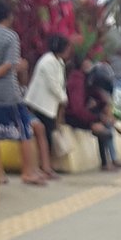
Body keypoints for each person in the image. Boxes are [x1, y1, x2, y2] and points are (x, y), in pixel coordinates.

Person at [0, 0, 46, 186]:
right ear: (9, 16)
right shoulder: (11, 37)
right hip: (7, 92)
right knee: (24, 131)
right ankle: (28, 172)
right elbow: (9, 64)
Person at [66, 55, 121, 171]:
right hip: (73, 116)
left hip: (85, 114)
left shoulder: (90, 81)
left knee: (105, 123)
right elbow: (77, 109)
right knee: (102, 128)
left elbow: (101, 99)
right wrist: (94, 119)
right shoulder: (77, 81)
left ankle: (113, 159)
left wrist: (108, 115)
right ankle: (105, 163)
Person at [24, 33, 72, 179]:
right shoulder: (48, 61)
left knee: (47, 135)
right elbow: (53, 85)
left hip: (49, 105)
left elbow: (60, 83)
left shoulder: (59, 62)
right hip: (39, 104)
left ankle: (46, 166)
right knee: (43, 135)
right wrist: (64, 98)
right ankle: (44, 167)